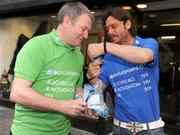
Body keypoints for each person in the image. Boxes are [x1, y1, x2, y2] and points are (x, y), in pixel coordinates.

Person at [10, 2, 93, 135]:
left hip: (63, 131)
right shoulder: (36, 46)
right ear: (67, 21)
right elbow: (18, 93)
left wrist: (86, 102)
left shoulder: (78, 55)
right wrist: (62, 105)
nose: (86, 35)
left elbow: (76, 89)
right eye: (83, 29)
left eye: (88, 30)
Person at [87, 7, 164, 135]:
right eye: (107, 29)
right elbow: (99, 88)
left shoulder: (147, 44)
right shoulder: (109, 57)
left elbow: (144, 56)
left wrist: (104, 46)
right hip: (120, 128)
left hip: (150, 130)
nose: (110, 32)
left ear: (127, 24)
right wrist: (92, 77)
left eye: (114, 26)